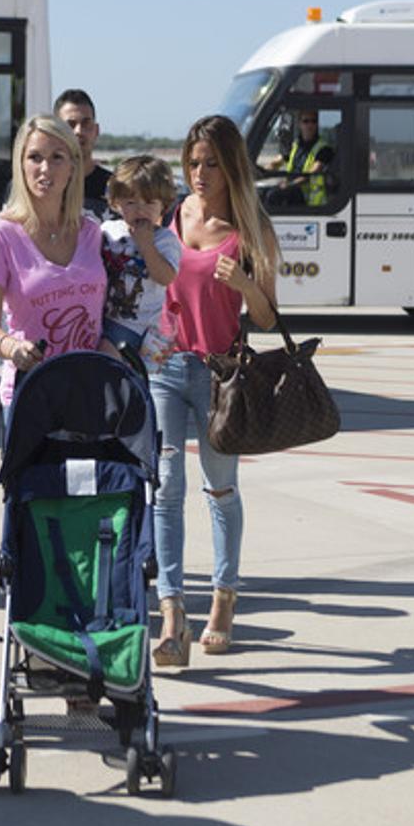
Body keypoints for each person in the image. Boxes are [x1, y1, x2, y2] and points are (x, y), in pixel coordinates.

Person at [150, 115, 278, 667]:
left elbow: (269, 320)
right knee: (165, 487)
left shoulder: (250, 229)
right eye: (193, 163)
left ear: (232, 168)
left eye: (211, 164)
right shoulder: (172, 215)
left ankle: (224, 599)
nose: (199, 174)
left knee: (220, 489)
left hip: (220, 376)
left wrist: (247, 284)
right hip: (164, 371)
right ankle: (173, 611)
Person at [0, 113, 107, 417]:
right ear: (20, 164)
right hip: (30, 396)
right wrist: (14, 348)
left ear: (72, 167)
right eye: (34, 157)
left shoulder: (92, 232)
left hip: (90, 392)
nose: (45, 168)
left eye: (57, 158)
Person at [98, 155, 182, 356]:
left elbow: (166, 277)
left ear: (164, 205)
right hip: (103, 316)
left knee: (105, 354)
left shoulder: (164, 239)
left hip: (138, 326)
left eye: (149, 203)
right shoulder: (108, 230)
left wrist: (147, 246)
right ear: (116, 203)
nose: (140, 210)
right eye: (131, 202)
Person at [53, 88, 113, 221]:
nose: (79, 131)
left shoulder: (117, 187)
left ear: (96, 130)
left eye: (86, 124)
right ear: (55, 131)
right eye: (70, 125)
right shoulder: (44, 185)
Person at [274, 110, 333, 207]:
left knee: (274, 196)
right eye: (306, 121)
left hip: (311, 204)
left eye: (314, 121)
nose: (310, 125)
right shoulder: (295, 146)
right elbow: (276, 162)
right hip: (293, 193)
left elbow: (310, 174)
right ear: (299, 124)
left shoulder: (324, 149)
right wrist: (260, 170)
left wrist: (289, 185)